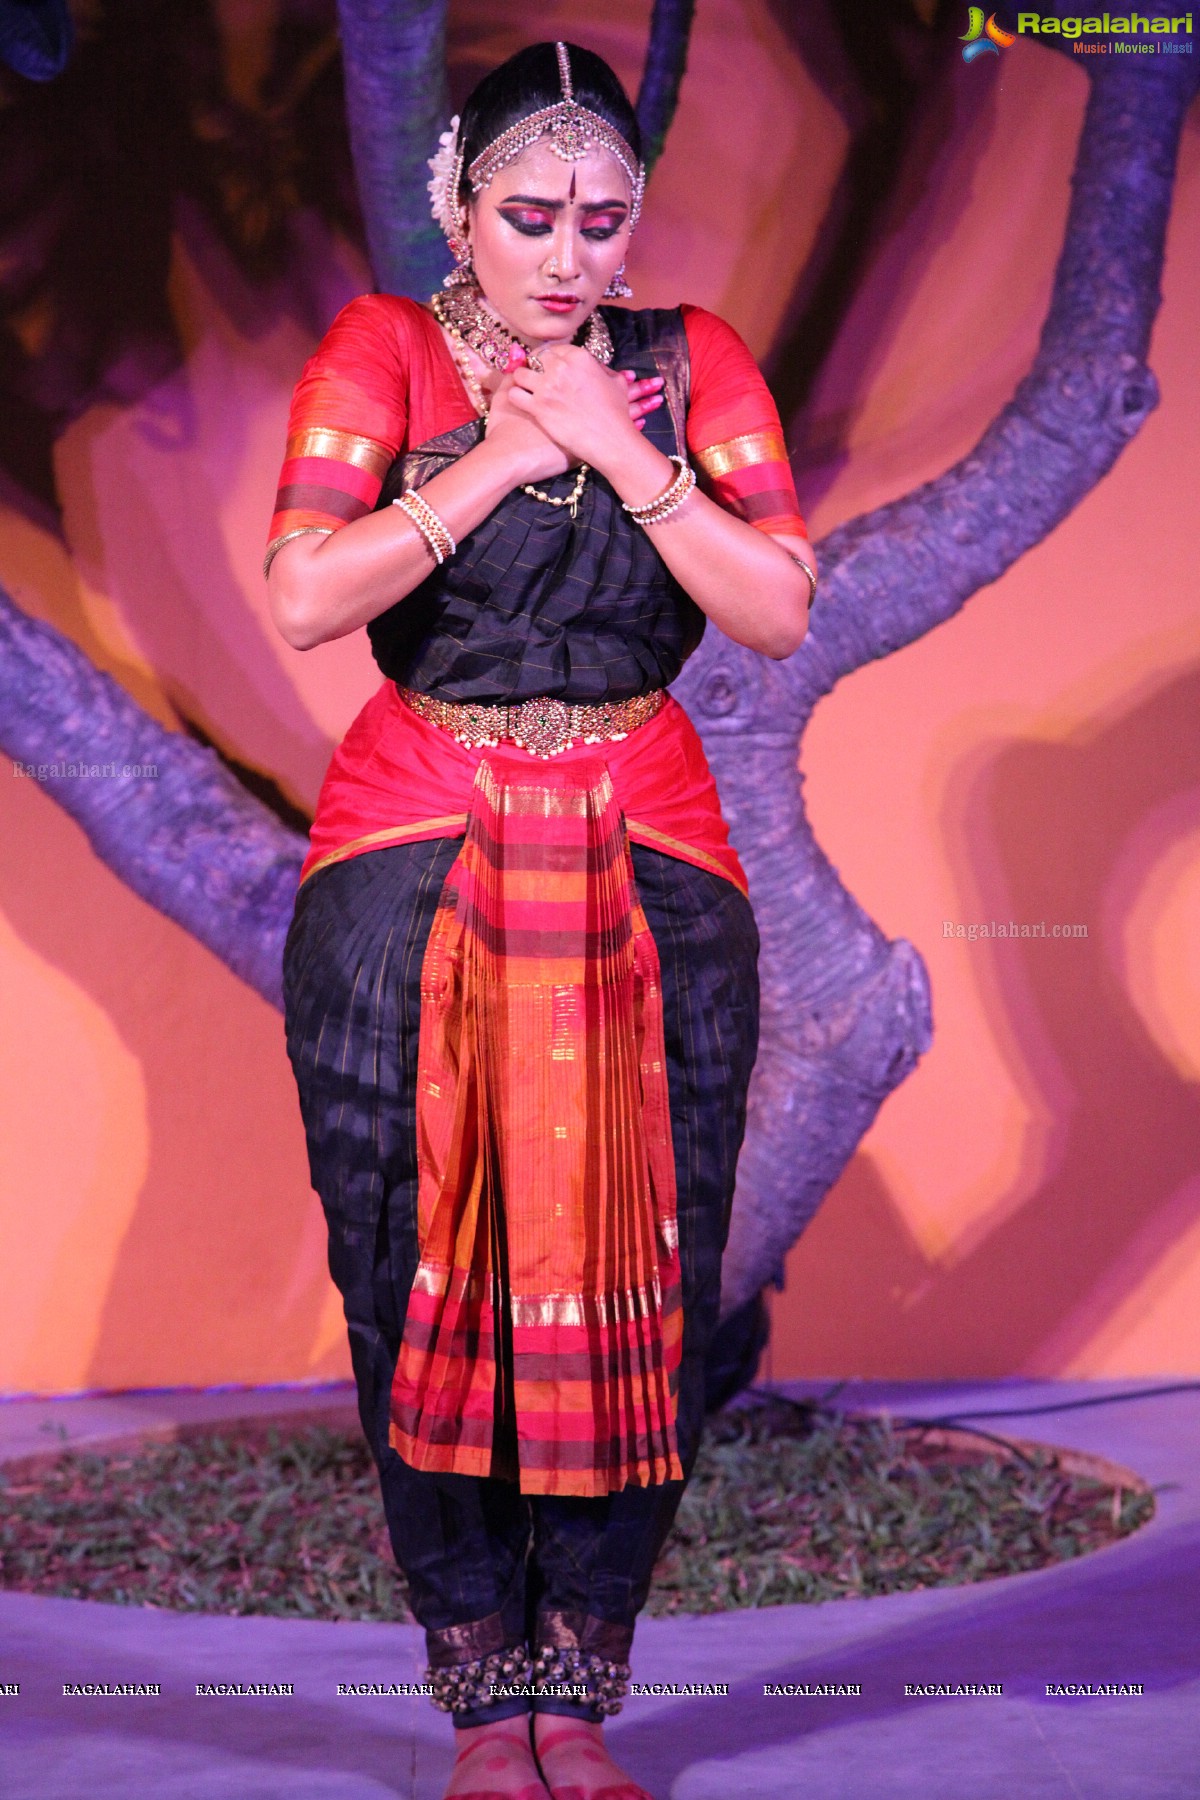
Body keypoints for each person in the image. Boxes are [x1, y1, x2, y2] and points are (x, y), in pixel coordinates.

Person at [267, 40, 816, 1800]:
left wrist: (624, 457)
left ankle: (576, 1694)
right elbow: (302, 597)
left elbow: (779, 605)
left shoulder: (688, 364)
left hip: (649, 854)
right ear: (458, 202)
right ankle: (475, 1696)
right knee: (407, 1269)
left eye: (602, 220)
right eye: (529, 217)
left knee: (645, 1277)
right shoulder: (387, 349)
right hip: (412, 852)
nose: (569, 256)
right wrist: (506, 456)